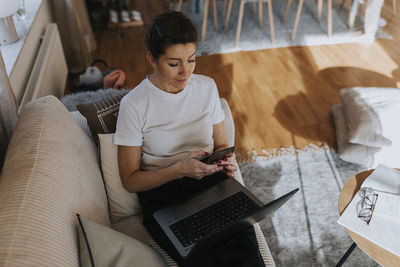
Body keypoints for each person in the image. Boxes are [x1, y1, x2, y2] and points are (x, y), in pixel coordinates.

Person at [114, 11, 266, 267]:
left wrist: (225, 162)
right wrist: (179, 169)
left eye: (192, 60)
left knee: (248, 256)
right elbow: (130, 180)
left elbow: (221, 145)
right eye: (174, 64)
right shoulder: (134, 104)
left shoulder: (206, 87)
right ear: (152, 59)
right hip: (165, 197)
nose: (185, 72)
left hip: (211, 181)